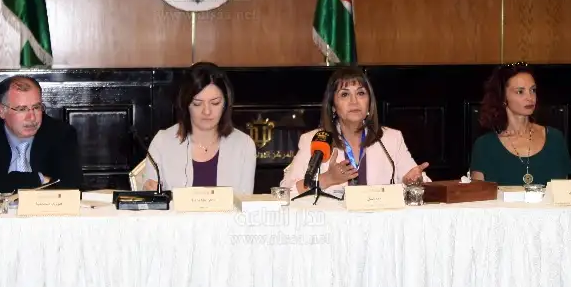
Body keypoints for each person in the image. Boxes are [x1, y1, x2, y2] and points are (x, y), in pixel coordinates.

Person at [281, 65, 428, 196]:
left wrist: (413, 182)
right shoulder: (314, 140)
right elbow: (285, 191)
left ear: (369, 103)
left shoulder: (391, 139)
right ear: (333, 107)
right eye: (345, 94)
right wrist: (327, 179)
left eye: (361, 93)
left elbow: (420, 181)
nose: (354, 101)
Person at [139, 63, 257, 194]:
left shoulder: (244, 146)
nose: (207, 111)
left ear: (226, 103)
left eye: (215, 103)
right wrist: (149, 192)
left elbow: (245, 202)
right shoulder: (162, 143)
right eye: (197, 103)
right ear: (186, 104)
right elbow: (151, 198)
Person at [0, 75, 82, 199]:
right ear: (2, 110)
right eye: (22, 109)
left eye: (36, 107)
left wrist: (6, 182)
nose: (32, 117)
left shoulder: (61, 134)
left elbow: (72, 187)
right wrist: (39, 179)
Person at [468, 63, 571, 185]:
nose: (530, 97)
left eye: (533, 90)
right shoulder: (485, 146)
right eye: (520, 92)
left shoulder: (555, 138)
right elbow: (477, 194)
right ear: (503, 97)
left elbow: (564, 192)